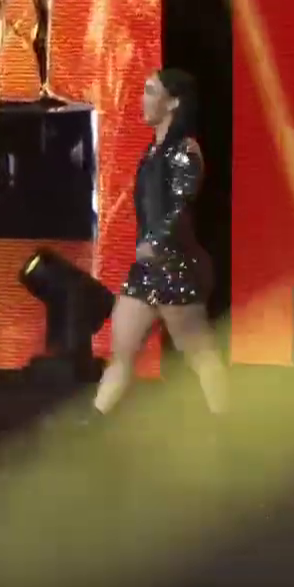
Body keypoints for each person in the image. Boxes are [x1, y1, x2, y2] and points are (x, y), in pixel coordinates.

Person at [90, 69, 228, 418]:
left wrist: (155, 242)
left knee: (199, 353)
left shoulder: (184, 150)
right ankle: (93, 420)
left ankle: (224, 421)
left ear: (173, 103)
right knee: (121, 352)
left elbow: (180, 205)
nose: (143, 98)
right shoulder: (153, 151)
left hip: (175, 266)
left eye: (151, 91)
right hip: (147, 271)